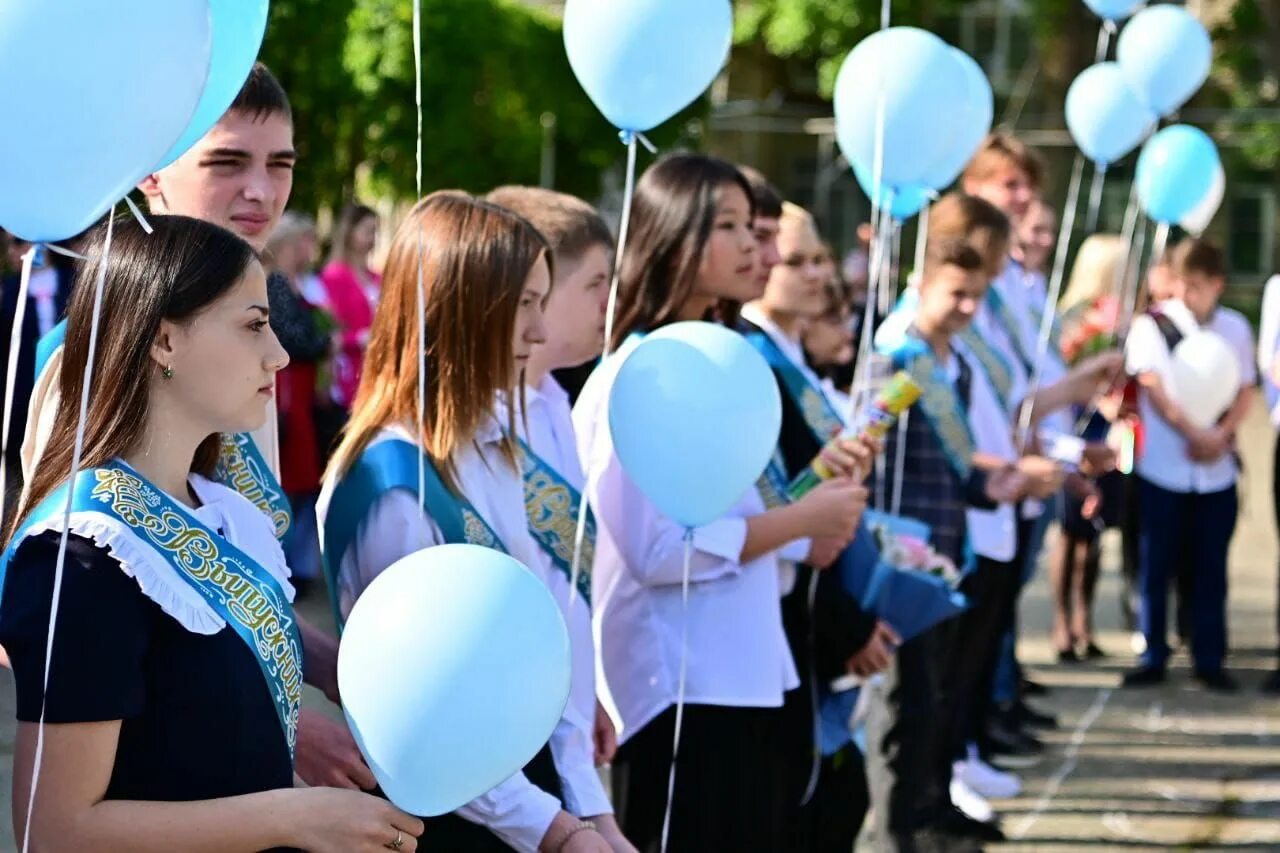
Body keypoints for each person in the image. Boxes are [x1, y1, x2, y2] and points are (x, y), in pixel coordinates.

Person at [0, 215, 422, 852]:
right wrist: (295, 819)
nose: (279, 353)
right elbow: (54, 830)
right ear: (164, 341)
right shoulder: (81, 553)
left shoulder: (224, 511)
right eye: (254, 325)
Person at [18, 62, 375, 793]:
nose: (261, 191)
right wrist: (285, 720)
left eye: (280, 164)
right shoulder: (94, 358)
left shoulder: (249, 340)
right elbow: (65, 603)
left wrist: (329, 661)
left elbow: (220, 571)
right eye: (227, 162)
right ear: (151, 176)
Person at [574, 154, 865, 852]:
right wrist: (799, 522)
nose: (751, 245)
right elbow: (656, 550)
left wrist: (809, 521)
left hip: (750, 667)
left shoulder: (725, 357)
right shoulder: (639, 373)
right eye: (728, 226)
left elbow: (740, 501)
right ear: (673, 236)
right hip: (678, 685)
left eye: (752, 226)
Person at [320, 191, 616, 853]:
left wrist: (582, 804)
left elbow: (543, 630)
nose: (539, 333)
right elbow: (429, 711)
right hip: (453, 813)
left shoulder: (497, 445)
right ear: (459, 311)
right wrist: (558, 829)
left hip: (522, 788)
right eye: (524, 307)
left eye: (543, 303)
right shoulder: (392, 481)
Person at [485, 184, 637, 851]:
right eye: (596, 283)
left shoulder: (550, 404)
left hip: (559, 732)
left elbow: (566, 588)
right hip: (498, 759)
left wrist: (586, 698)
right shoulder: (470, 431)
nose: (612, 305)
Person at [739, 190, 890, 851]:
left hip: (814, 598)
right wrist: (846, 625)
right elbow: (775, 504)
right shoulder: (753, 356)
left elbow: (801, 486)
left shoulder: (791, 355)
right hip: (790, 603)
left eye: (819, 258)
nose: (812, 272)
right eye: (793, 258)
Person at [1123, 238, 1256, 693]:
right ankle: (1152, 650)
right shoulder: (1151, 326)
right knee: (1155, 565)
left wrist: (1220, 435)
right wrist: (1195, 434)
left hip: (1215, 471)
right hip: (1164, 466)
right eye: (1179, 283)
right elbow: (1156, 389)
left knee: (1210, 567)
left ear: (1216, 285)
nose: (1185, 294)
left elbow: (1243, 388)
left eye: (1196, 285)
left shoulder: (1235, 328)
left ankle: (1210, 655)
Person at [264, 212, 334, 593]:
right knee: (292, 476)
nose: (310, 249)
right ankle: (288, 565)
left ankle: (299, 565)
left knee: (305, 477)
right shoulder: (275, 284)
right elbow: (289, 339)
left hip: (303, 393)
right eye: (304, 242)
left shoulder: (297, 284)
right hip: (288, 392)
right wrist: (325, 344)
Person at [320, 203, 381, 409]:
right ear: (349, 233)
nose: (373, 238)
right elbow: (329, 332)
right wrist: (360, 338)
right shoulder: (334, 276)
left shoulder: (377, 277)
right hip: (348, 374)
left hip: (377, 371)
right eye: (367, 231)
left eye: (375, 232)